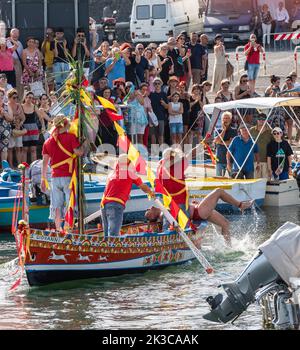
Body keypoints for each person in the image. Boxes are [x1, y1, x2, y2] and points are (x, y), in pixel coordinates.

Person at [146, 189, 253, 245]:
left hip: (198, 209)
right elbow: (166, 228)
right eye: (147, 212)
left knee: (226, 224)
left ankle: (229, 247)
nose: (148, 208)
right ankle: (240, 205)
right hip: (199, 212)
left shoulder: (163, 208)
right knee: (218, 191)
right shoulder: (163, 214)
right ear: (152, 216)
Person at [41, 115, 84, 231]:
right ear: (65, 125)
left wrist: (43, 179)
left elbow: (44, 163)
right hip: (68, 176)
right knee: (69, 203)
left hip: (54, 177)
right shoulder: (70, 137)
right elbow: (78, 153)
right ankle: (67, 228)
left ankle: (59, 229)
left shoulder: (48, 142)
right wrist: (82, 146)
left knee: (57, 206)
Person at [101, 154, 155, 236]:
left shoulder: (111, 174)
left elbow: (114, 188)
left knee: (106, 235)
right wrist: (151, 192)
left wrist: (125, 195)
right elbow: (143, 187)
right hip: (115, 206)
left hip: (103, 205)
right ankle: (113, 247)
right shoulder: (130, 173)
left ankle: (105, 247)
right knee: (113, 235)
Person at [214, 112, 237, 177]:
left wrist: (221, 142)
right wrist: (224, 130)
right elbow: (216, 140)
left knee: (232, 179)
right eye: (224, 118)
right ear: (222, 120)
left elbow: (231, 142)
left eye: (227, 118)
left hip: (231, 160)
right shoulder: (217, 130)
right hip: (220, 159)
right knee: (219, 180)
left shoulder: (234, 130)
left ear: (230, 120)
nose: (226, 120)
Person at [250, 113, 272, 178]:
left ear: (266, 120)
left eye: (263, 119)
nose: (261, 120)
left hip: (267, 160)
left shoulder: (270, 131)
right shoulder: (251, 130)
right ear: (257, 120)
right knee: (255, 181)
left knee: (266, 181)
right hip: (255, 160)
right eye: (259, 119)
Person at [7, 88, 25, 166]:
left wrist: (20, 123)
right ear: (9, 97)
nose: (15, 99)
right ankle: (10, 166)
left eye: (16, 97)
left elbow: (23, 117)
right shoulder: (6, 105)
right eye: (14, 97)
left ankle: (19, 165)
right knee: (10, 149)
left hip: (18, 128)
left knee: (18, 148)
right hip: (10, 128)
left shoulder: (18, 105)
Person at [149, 77, 169, 146]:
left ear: (161, 84)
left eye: (158, 83)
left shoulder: (164, 94)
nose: (157, 85)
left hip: (161, 117)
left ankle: (161, 151)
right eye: (155, 84)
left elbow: (167, 107)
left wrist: (164, 103)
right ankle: (154, 151)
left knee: (161, 135)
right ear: (153, 85)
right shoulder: (151, 94)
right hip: (152, 117)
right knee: (153, 135)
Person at [7, 28, 24, 98]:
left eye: (17, 33)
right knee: (7, 83)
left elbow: (21, 56)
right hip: (7, 65)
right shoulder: (5, 42)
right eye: (13, 33)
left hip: (17, 65)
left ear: (19, 34)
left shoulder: (20, 43)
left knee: (18, 83)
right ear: (10, 34)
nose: (15, 35)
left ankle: (18, 99)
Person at [0, 87, 13, 162]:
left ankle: (4, 168)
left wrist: (4, 113)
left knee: (4, 149)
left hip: (5, 130)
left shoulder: (6, 106)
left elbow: (11, 118)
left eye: (2, 95)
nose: (0, 97)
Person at [41, 27, 55, 92]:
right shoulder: (45, 42)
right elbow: (42, 52)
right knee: (49, 84)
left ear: (53, 33)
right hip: (48, 65)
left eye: (50, 33)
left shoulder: (55, 41)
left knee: (56, 83)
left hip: (55, 64)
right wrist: (45, 41)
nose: (48, 34)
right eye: (47, 33)